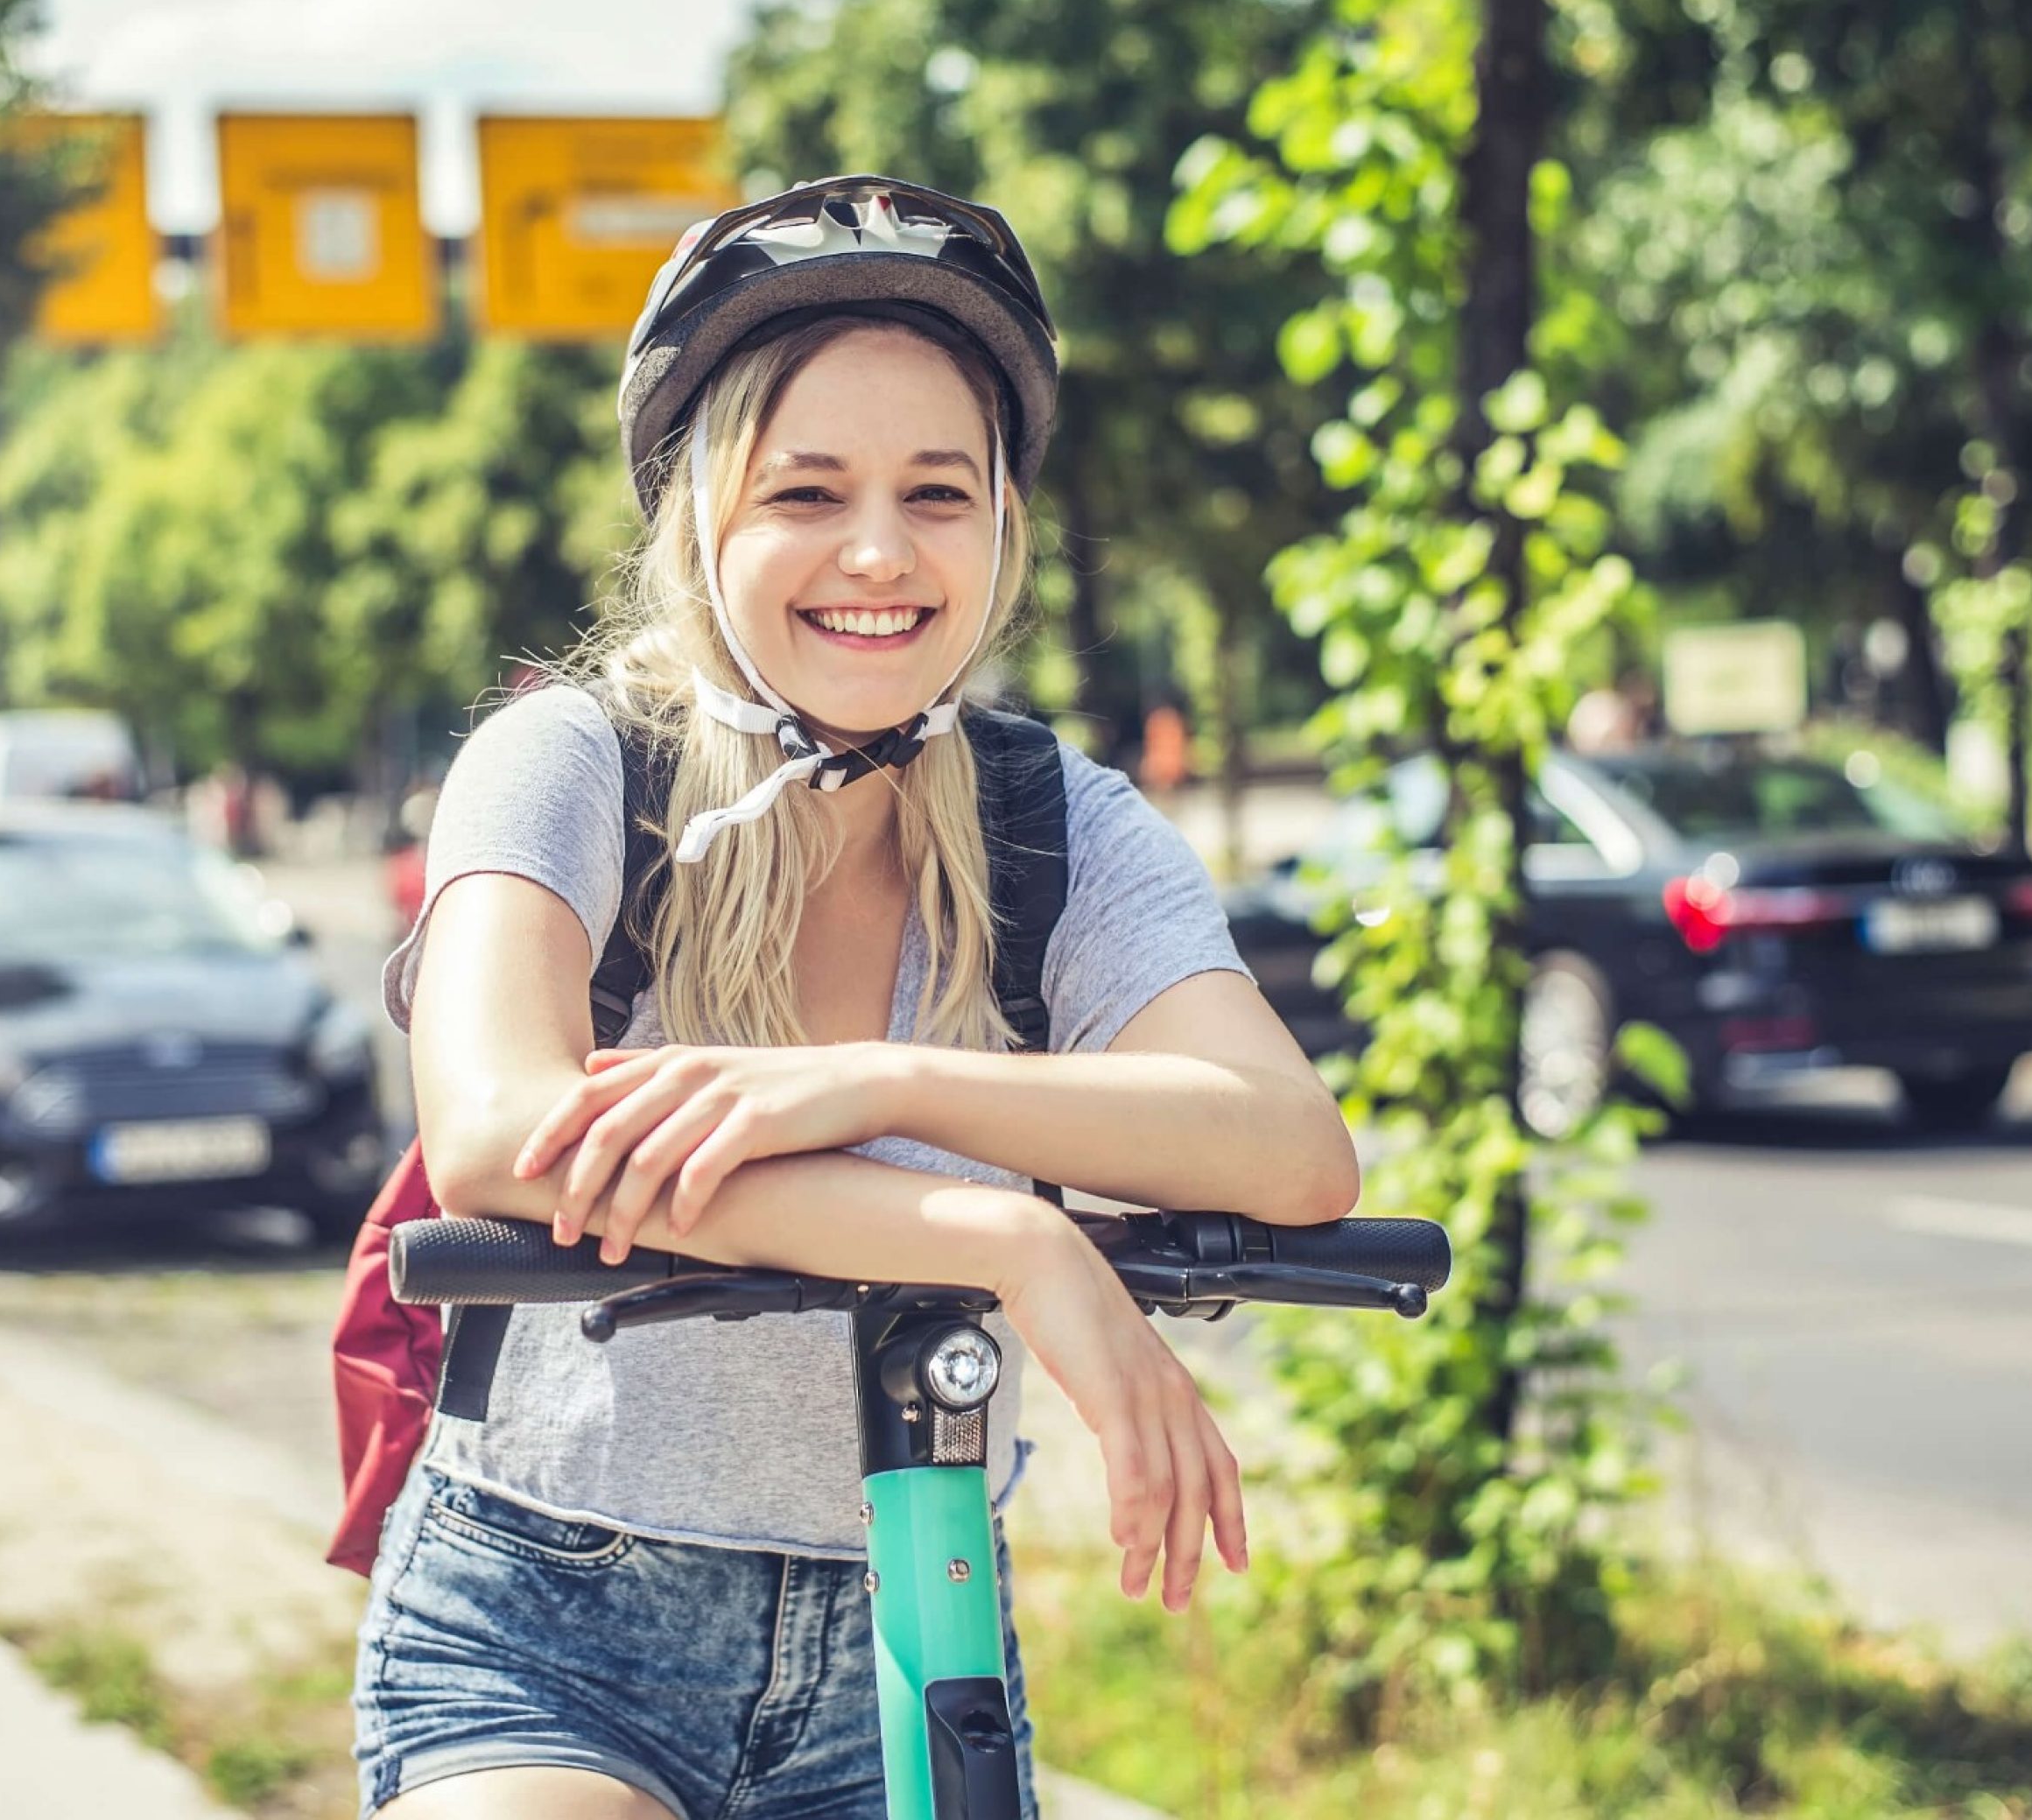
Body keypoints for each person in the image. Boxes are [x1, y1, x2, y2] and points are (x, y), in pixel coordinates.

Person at [359, 179, 1361, 1820]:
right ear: (703, 519)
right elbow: (498, 1135)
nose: (880, 554)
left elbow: (1288, 1150)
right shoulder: (575, 766)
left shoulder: (1061, 824)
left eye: (937, 494)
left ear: (1001, 528)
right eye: (807, 492)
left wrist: (879, 1084)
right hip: (547, 1625)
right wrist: (1004, 1236)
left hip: (910, 1619)